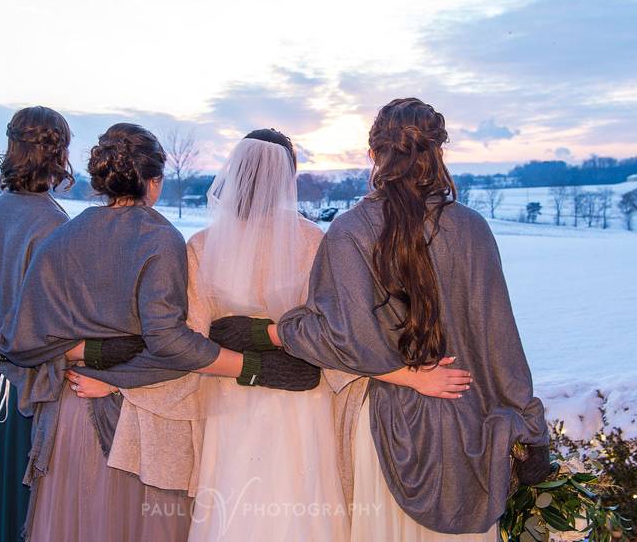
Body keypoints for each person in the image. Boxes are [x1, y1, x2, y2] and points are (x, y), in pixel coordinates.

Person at [74, 128, 475, 541]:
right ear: (288, 177)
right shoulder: (314, 241)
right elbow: (340, 333)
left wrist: (117, 383)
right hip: (304, 405)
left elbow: (183, 345)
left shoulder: (200, 246)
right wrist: (410, 374)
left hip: (229, 402)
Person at [215, 99, 552, 540]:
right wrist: (531, 426)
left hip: (383, 429)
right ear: (437, 153)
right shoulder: (471, 229)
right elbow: (500, 340)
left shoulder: (351, 229)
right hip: (468, 423)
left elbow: (339, 336)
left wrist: (269, 331)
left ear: (373, 154)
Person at [0, 123, 320, 542]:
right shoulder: (163, 239)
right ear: (155, 181)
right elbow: (171, 343)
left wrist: (83, 354)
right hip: (131, 422)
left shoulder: (62, 237)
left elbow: (17, 342)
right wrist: (256, 365)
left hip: (69, 414)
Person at [0, 106, 73, 542]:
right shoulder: (55, 225)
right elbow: (55, 328)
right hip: (35, 394)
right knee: (29, 515)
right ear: (59, 155)